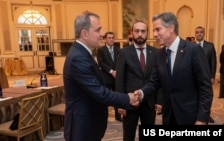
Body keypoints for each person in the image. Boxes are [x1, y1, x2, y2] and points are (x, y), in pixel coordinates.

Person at [63, 11, 140, 141]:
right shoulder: (78, 58)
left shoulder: (83, 53)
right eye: (98, 30)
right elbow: (99, 92)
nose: (102, 34)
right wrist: (127, 98)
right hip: (82, 128)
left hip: (89, 125)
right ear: (85, 34)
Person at [136, 12, 213, 125]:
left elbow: (205, 88)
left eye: (158, 29)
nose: (154, 34)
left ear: (171, 28)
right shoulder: (159, 55)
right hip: (169, 115)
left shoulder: (193, 50)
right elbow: (154, 82)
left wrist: (202, 118)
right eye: (153, 31)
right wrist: (141, 93)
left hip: (190, 116)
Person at [115, 20, 163, 141]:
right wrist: (121, 102)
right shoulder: (124, 53)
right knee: (129, 135)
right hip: (130, 102)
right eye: (137, 31)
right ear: (132, 33)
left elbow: (160, 79)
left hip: (149, 102)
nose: (140, 34)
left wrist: (160, 100)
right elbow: (120, 79)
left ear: (148, 33)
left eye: (143, 31)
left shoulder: (156, 53)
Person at [96, 31, 122, 122]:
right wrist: (111, 71)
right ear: (105, 39)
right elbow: (101, 63)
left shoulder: (118, 50)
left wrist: (117, 71)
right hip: (106, 77)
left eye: (112, 38)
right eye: (109, 38)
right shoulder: (100, 50)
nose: (111, 39)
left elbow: (120, 63)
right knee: (104, 98)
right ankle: (103, 116)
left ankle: (118, 116)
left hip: (116, 78)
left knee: (117, 97)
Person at [195, 26, 217, 123]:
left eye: (201, 32)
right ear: (195, 34)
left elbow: (213, 62)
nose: (199, 34)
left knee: (207, 97)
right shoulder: (190, 46)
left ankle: (206, 115)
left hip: (206, 77)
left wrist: (212, 76)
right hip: (193, 77)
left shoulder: (210, 46)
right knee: (195, 97)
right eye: (197, 32)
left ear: (204, 34)